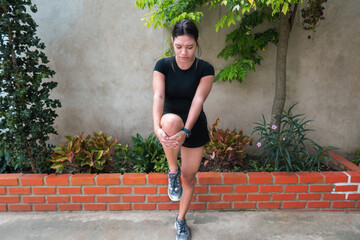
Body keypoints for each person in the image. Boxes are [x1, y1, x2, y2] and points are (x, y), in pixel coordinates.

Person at [152, 19, 215, 240]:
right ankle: (172, 171)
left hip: (193, 126)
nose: (184, 52)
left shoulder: (205, 69)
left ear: (197, 43)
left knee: (189, 178)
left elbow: (198, 101)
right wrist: (156, 127)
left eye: (189, 47)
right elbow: (158, 96)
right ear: (172, 43)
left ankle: (180, 220)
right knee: (169, 123)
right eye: (179, 47)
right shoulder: (162, 66)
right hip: (170, 122)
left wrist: (186, 132)